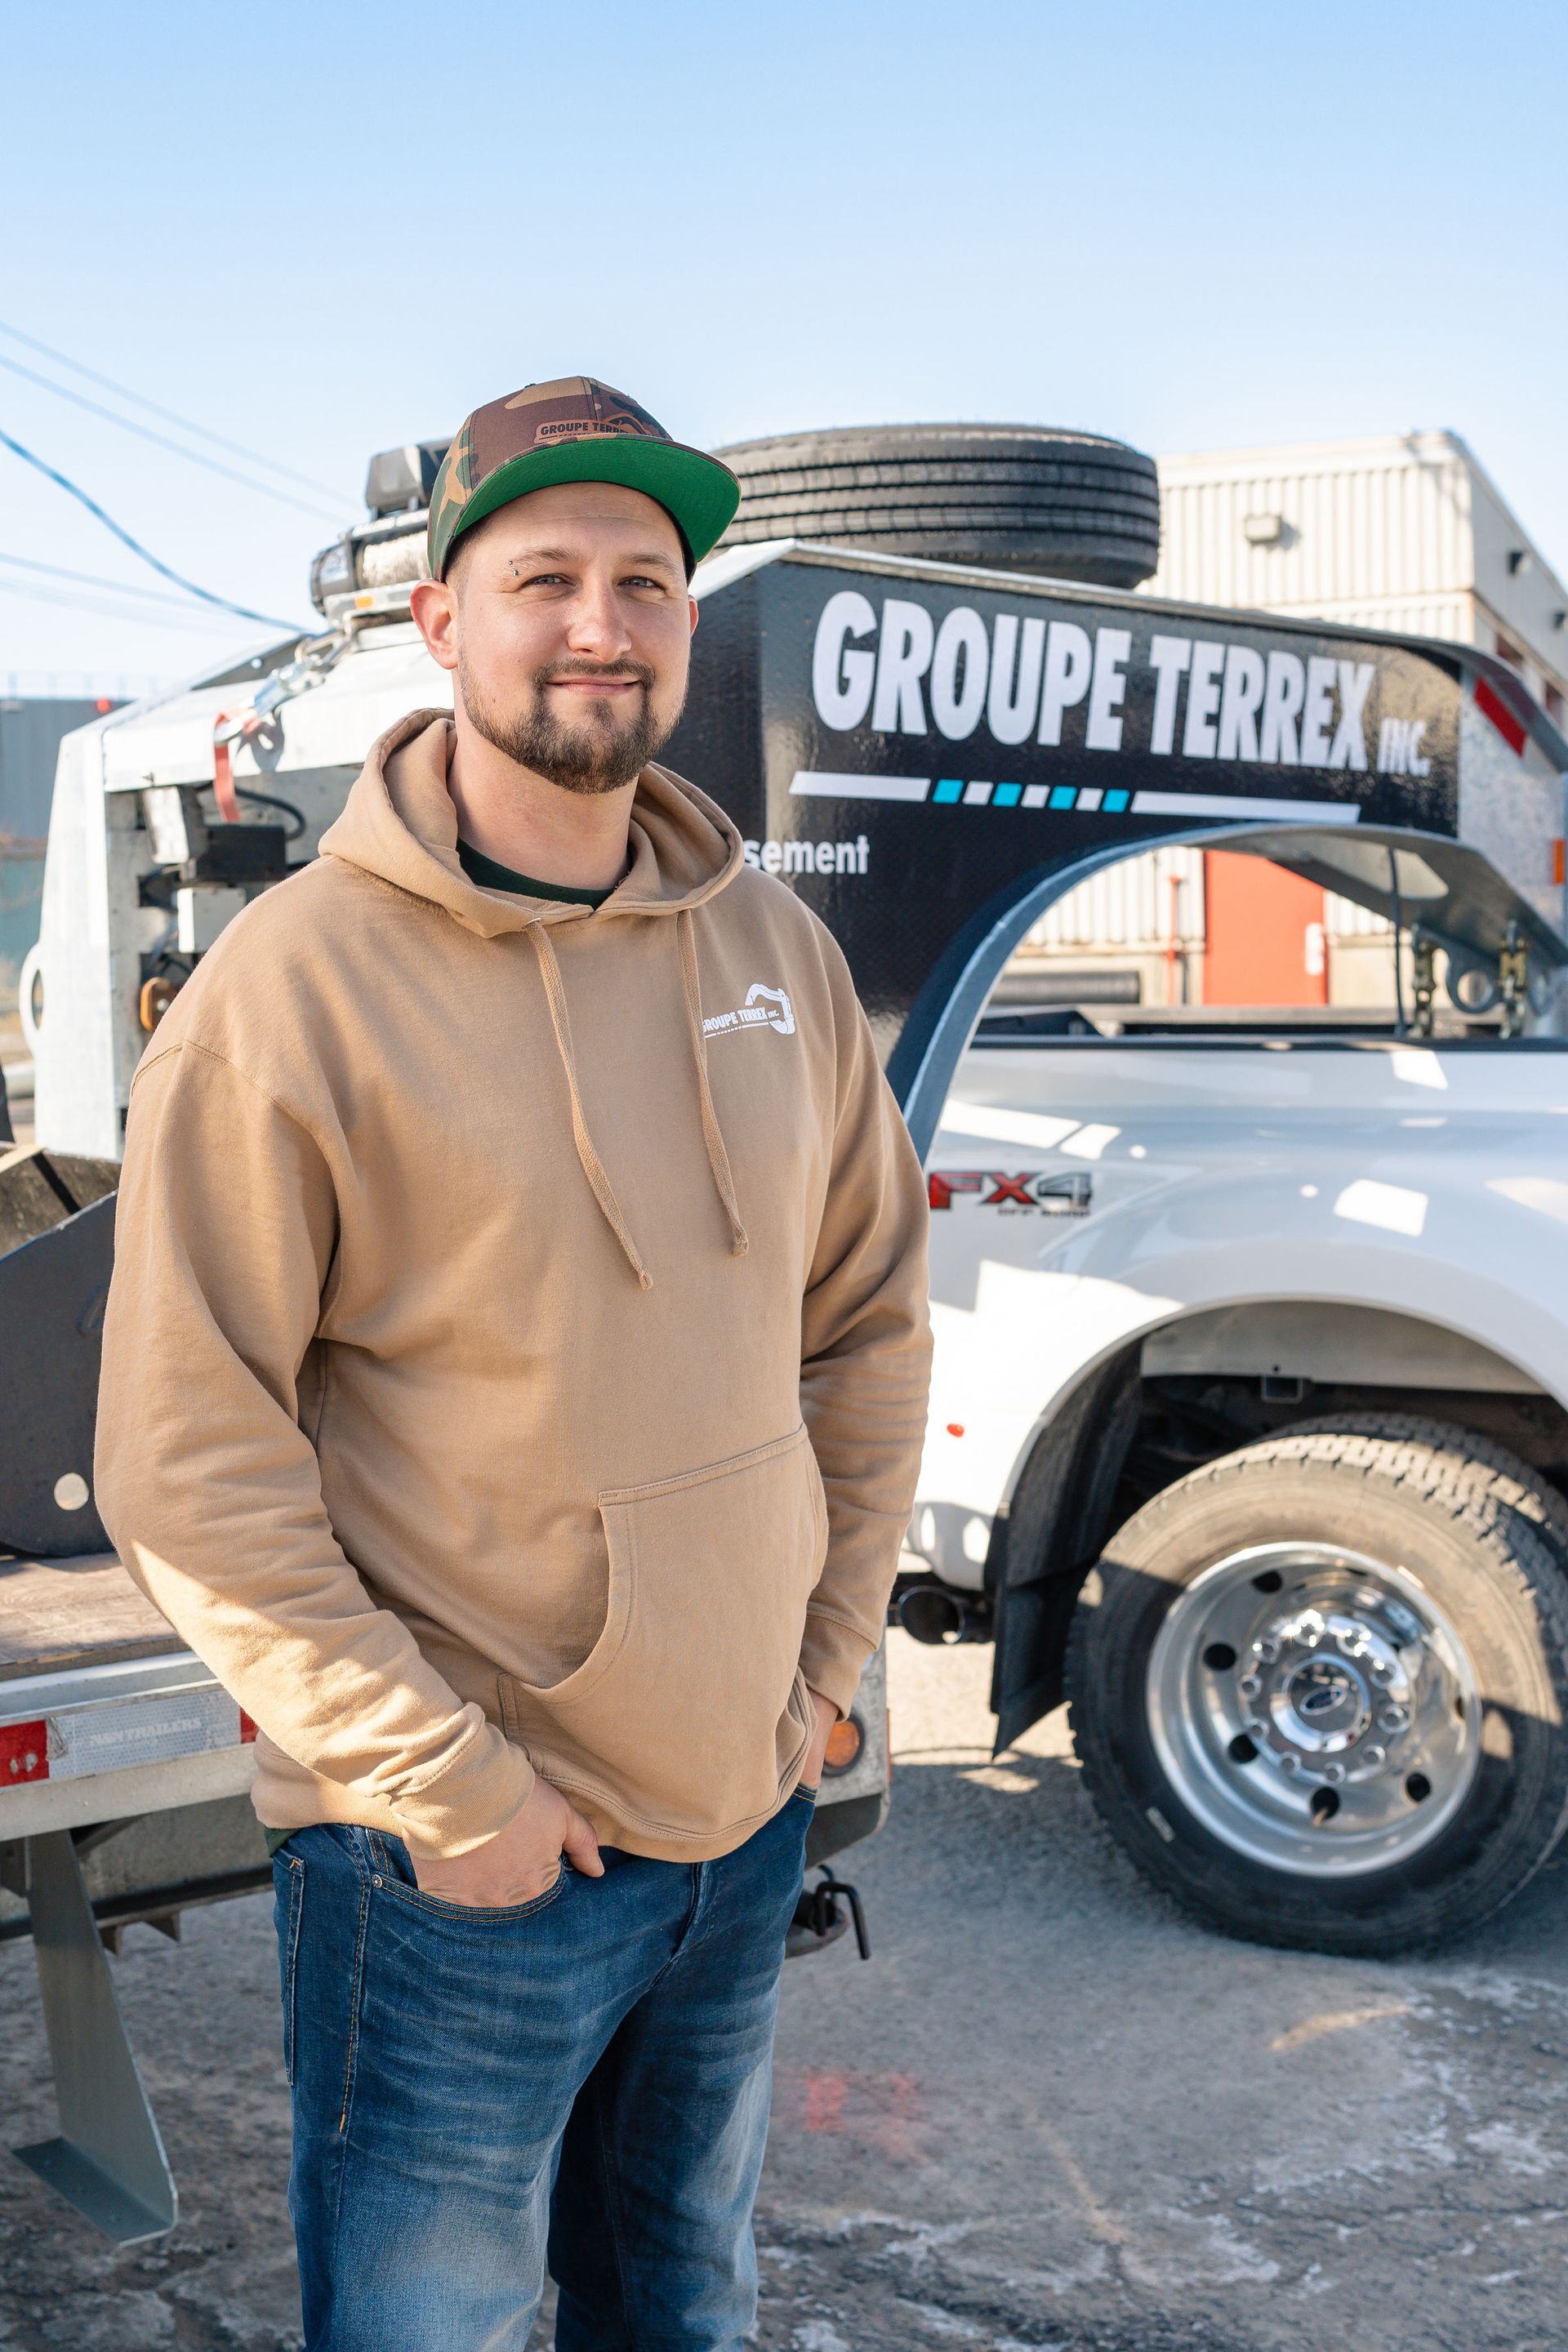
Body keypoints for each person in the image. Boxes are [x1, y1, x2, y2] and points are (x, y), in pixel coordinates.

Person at [95, 376, 933, 2351]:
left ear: (685, 630)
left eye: (647, 581)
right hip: (458, 1868)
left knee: (683, 2307)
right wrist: (446, 1788)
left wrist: (817, 1680)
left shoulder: (773, 954)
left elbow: (869, 1328)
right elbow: (185, 1460)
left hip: (740, 1822)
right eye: (543, 572)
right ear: (440, 619)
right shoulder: (288, 993)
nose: (599, 622)